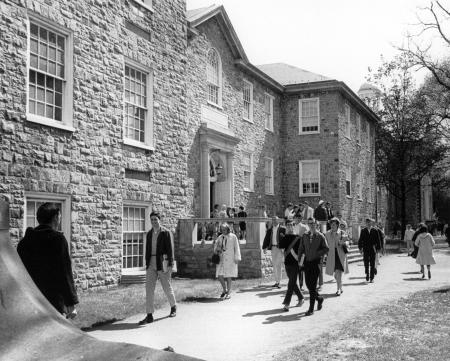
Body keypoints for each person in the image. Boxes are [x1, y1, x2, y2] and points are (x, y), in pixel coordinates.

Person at [17, 203, 78, 318]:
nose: (60, 219)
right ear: (55, 217)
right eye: (59, 216)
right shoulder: (58, 240)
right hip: (52, 301)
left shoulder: (24, 242)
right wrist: (70, 303)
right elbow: (64, 272)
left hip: (30, 300)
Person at [139, 211, 176, 325]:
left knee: (166, 287)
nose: (154, 221)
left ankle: (173, 307)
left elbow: (170, 249)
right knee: (149, 289)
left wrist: (170, 264)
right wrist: (146, 263)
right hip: (151, 264)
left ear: (159, 220)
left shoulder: (166, 232)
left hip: (162, 263)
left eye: (156, 219)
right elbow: (148, 249)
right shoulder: (149, 233)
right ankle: (149, 315)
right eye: (152, 219)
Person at [298, 218, 329, 316]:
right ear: (308, 224)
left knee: (313, 287)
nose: (311, 225)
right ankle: (319, 298)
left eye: (313, 223)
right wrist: (300, 261)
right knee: (308, 285)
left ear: (316, 224)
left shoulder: (320, 236)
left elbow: (326, 248)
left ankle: (311, 309)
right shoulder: (305, 235)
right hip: (307, 263)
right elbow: (301, 249)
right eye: (309, 223)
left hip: (316, 263)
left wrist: (317, 253)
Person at [279, 220, 304, 311]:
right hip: (287, 263)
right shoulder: (285, 237)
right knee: (293, 283)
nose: (289, 226)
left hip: (295, 264)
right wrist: (282, 237)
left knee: (290, 284)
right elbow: (281, 247)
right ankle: (301, 298)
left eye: (291, 225)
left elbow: (301, 251)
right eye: (288, 225)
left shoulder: (298, 238)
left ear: (294, 226)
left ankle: (287, 304)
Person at [214, 223, 241, 299]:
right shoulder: (220, 237)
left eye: (224, 229)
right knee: (219, 275)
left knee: (229, 276)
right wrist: (217, 249)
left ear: (228, 229)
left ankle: (228, 293)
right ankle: (224, 289)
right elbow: (216, 246)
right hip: (221, 258)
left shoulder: (233, 237)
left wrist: (237, 257)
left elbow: (237, 247)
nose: (223, 231)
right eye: (222, 229)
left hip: (230, 258)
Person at [325, 218, 349, 296]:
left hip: (340, 255)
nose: (332, 226)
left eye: (334, 224)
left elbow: (348, 243)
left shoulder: (342, 232)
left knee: (339, 272)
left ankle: (338, 289)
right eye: (331, 224)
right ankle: (341, 287)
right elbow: (325, 245)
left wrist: (342, 242)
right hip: (332, 255)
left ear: (337, 225)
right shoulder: (327, 234)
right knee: (336, 274)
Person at [262, 216, 286, 288]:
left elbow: (286, 239)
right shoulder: (270, 230)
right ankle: (276, 281)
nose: (274, 221)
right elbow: (266, 238)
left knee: (278, 264)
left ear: (278, 220)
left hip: (280, 248)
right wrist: (264, 247)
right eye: (273, 220)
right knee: (274, 264)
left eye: (275, 220)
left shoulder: (283, 229)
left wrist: (285, 248)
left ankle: (278, 282)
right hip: (273, 248)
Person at [358, 218, 382, 283]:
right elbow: (360, 240)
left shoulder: (375, 230)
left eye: (369, 222)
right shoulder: (363, 230)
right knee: (366, 263)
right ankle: (367, 274)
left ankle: (371, 278)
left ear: (371, 223)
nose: (368, 223)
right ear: (366, 223)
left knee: (372, 263)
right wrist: (360, 248)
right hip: (365, 249)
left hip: (372, 249)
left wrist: (378, 248)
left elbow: (378, 240)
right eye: (367, 222)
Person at [293, 213, 309, 291]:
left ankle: (301, 285)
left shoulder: (304, 227)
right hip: (293, 250)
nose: (298, 219)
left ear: (301, 219)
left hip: (302, 250)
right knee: (294, 268)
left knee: (301, 268)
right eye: (296, 218)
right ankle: (294, 285)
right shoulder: (292, 226)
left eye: (299, 218)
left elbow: (308, 237)